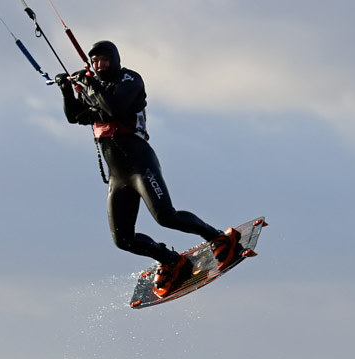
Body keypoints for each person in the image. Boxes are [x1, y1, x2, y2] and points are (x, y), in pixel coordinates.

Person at [55, 40, 242, 297]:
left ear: (115, 60)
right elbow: (74, 117)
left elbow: (114, 107)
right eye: (94, 61)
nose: (99, 65)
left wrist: (88, 83)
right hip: (118, 176)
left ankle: (217, 238)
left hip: (140, 164)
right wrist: (67, 90)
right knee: (123, 239)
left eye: (104, 60)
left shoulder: (129, 80)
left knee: (166, 217)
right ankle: (169, 260)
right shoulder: (96, 91)